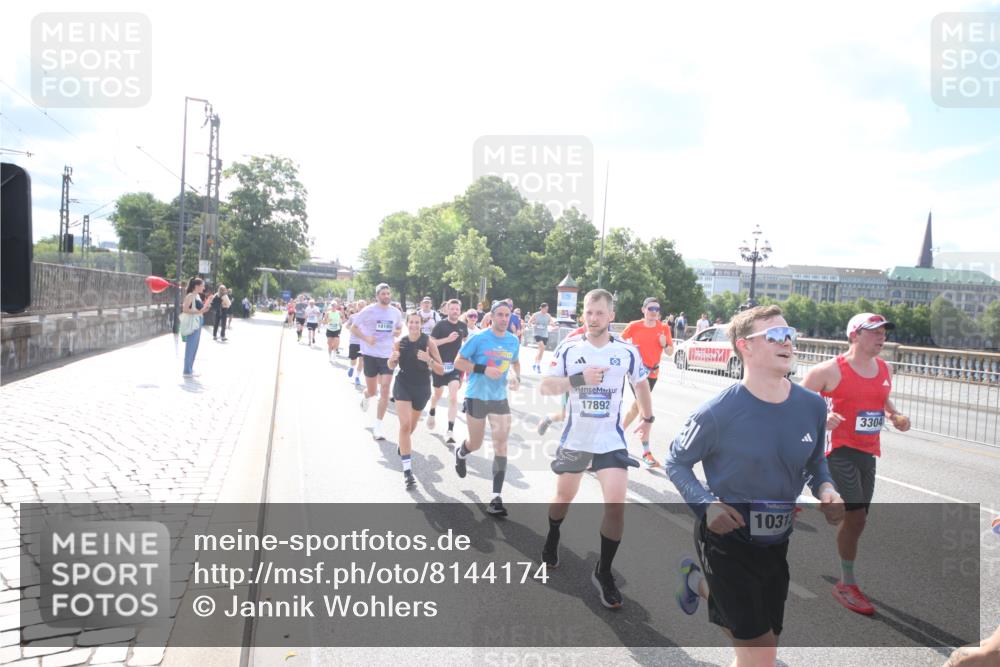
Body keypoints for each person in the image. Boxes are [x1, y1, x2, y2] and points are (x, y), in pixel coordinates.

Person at [666, 305, 844, 667]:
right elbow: (676, 462)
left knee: (762, 643)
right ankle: (703, 582)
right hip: (727, 536)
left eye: (790, 334)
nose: (788, 343)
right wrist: (706, 505)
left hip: (776, 541)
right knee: (760, 654)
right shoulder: (717, 412)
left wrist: (826, 488)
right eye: (776, 336)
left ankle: (696, 583)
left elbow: (814, 462)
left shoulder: (811, 405)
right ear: (745, 346)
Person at [539, 289, 653, 609]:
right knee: (563, 499)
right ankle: (552, 536)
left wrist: (648, 418)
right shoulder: (569, 347)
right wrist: (580, 378)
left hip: (609, 440)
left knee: (616, 505)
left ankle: (603, 571)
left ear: (611, 317)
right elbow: (547, 387)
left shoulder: (627, 351)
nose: (593, 318)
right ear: (583, 314)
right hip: (576, 438)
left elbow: (641, 384)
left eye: (600, 313)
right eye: (589, 312)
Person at [801, 312, 911, 616]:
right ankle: (846, 584)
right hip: (838, 450)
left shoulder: (884, 367)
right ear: (854, 335)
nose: (881, 337)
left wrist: (894, 415)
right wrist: (822, 418)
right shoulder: (829, 371)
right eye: (874, 331)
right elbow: (794, 403)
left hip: (868, 452)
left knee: (848, 516)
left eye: (883, 332)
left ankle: (796, 501)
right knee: (857, 517)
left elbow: (882, 398)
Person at [453, 300, 521, 516]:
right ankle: (462, 452)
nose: (503, 318)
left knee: (501, 446)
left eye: (506, 314)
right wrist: (482, 368)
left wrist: (516, 376)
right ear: (491, 317)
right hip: (477, 396)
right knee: (476, 442)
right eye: (499, 314)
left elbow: (515, 362)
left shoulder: (512, 341)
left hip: (499, 398)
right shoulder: (479, 338)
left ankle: (496, 497)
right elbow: (458, 362)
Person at [390, 311, 445, 489]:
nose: (414, 325)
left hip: (421, 388)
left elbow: (441, 370)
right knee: (405, 426)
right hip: (403, 384)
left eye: (417, 322)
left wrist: (428, 359)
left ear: (421, 324)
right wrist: (392, 360)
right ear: (407, 324)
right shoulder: (400, 343)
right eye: (411, 322)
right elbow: (391, 365)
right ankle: (408, 472)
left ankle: (403, 442)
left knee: (411, 427)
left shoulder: (428, 342)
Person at [620, 297, 673, 467]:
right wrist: (629, 350)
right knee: (643, 408)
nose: (654, 312)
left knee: (637, 407)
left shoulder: (664, 328)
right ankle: (646, 452)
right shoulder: (634, 325)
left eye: (657, 309)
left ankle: (617, 435)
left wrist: (665, 344)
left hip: (652, 373)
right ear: (643, 310)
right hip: (636, 373)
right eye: (651, 308)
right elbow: (619, 342)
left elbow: (671, 352)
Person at [350, 285, 403, 440]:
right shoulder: (368, 310)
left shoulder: (396, 312)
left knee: (385, 389)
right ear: (377, 296)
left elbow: (399, 328)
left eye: (388, 293)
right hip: (370, 354)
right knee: (372, 391)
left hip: (387, 355)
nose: (386, 296)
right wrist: (366, 338)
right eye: (383, 294)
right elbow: (353, 328)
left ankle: (378, 427)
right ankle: (366, 396)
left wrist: (396, 332)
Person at [427, 299, 468, 443]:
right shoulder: (440, 325)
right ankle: (432, 410)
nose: (455, 311)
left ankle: (450, 430)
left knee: (453, 396)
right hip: (439, 365)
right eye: (452, 309)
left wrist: (464, 371)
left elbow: (467, 347)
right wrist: (447, 339)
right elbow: (431, 344)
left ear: (460, 311)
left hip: (454, 367)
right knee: (437, 395)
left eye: (457, 309)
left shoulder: (463, 326)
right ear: (447, 310)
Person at [181, 278, 215, 378]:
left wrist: (208, 301)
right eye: (202, 285)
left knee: (194, 347)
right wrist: (199, 312)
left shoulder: (197, 296)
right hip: (193, 323)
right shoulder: (190, 296)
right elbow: (185, 309)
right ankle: (187, 370)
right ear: (196, 286)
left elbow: (202, 309)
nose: (204, 288)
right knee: (190, 347)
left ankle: (190, 369)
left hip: (197, 322)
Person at [526, 303, 555, 374]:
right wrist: (531, 324)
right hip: (537, 333)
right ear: (542, 308)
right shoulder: (536, 314)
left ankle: (535, 364)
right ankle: (538, 366)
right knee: (541, 348)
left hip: (545, 334)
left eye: (547, 309)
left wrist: (552, 324)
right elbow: (529, 322)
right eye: (545, 309)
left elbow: (551, 322)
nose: (546, 310)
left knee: (541, 351)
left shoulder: (548, 315)